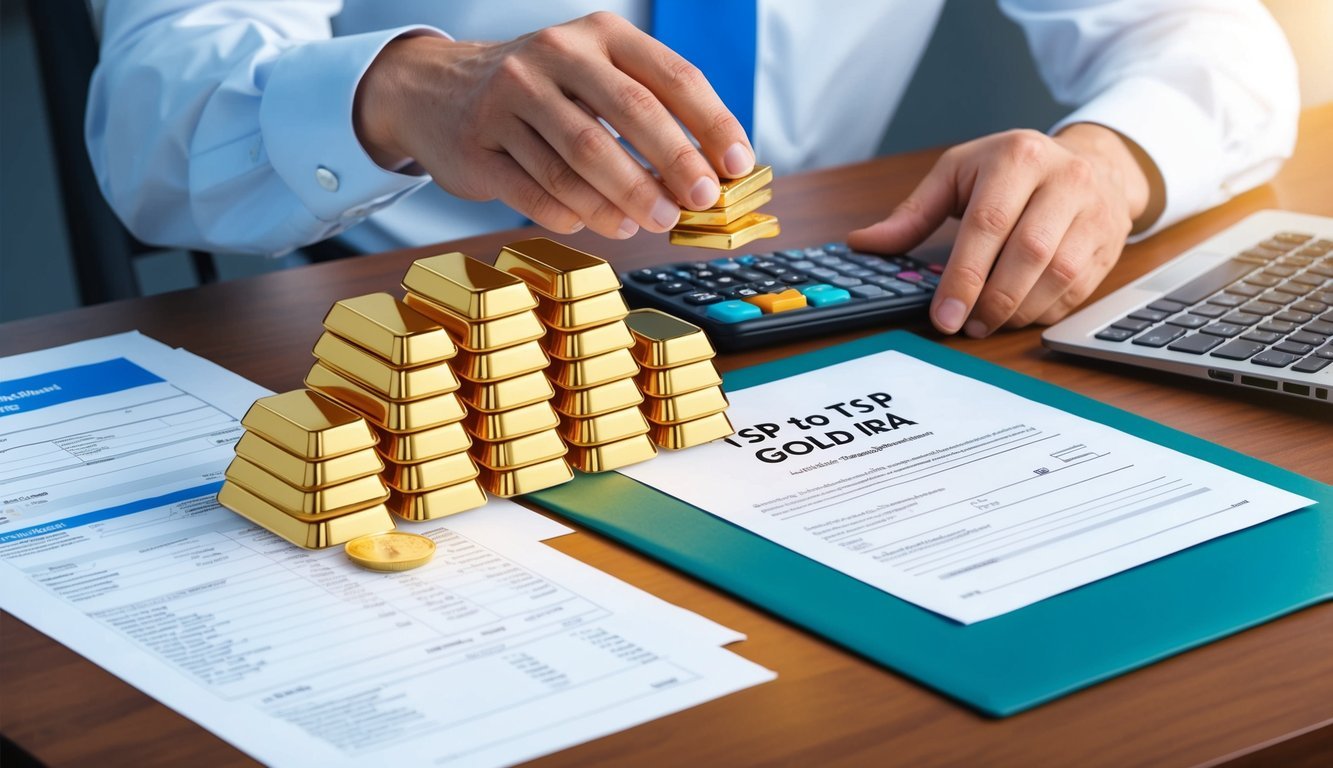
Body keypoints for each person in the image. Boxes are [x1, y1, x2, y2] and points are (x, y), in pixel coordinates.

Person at [86, 1, 1298, 338]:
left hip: (836, 305)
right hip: (425, 322)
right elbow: (151, 117)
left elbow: (1214, 41)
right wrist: (397, 89)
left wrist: (1107, 159)